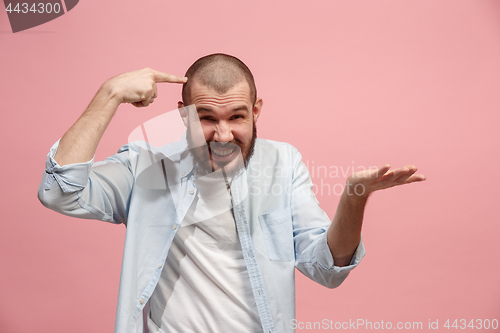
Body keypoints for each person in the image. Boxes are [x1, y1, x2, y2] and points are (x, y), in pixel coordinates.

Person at [38, 53, 425, 333]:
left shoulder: (282, 161)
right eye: (206, 118)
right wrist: (110, 94)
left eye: (236, 117)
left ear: (256, 111)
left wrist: (354, 198)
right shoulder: (151, 161)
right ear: (183, 115)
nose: (223, 136)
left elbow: (326, 268)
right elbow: (59, 191)